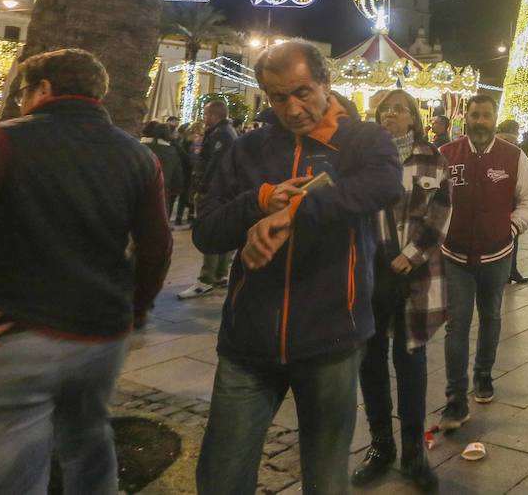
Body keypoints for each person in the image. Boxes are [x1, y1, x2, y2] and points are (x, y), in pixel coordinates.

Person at [0, 48, 172, 494]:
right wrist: (136, 310)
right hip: (101, 335)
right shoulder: (138, 156)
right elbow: (157, 246)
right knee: (89, 438)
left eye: (23, 92)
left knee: (12, 469)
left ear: (42, 89)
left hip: (13, 332)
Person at [193, 40, 401, 494]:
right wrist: (260, 201)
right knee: (221, 477)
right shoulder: (248, 150)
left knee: (325, 480)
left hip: (331, 339)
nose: (292, 107)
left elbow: (382, 186)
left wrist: (294, 211)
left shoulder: (363, 141)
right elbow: (206, 231)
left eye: (303, 92)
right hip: (248, 341)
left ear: (326, 84)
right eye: (277, 96)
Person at [352, 90, 450, 490]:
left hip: (413, 274)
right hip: (370, 271)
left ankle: (413, 450)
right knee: (370, 359)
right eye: (384, 111)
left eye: (398, 110)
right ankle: (381, 444)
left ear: (413, 118)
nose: (390, 116)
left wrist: (411, 254)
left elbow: (442, 212)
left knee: (410, 359)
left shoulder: (431, 158)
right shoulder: (363, 158)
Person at [438, 95, 528, 430]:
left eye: (486, 115)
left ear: (494, 119)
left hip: (497, 253)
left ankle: (483, 374)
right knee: (457, 324)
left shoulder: (513, 156)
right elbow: (429, 198)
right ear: (465, 118)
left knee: (492, 315)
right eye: (475, 115)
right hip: (454, 254)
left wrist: (513, 226)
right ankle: (455, 397)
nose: (480, 121)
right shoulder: (447, 155)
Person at [177, 98, 240, 299]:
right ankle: (220, 275)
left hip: (214, 192)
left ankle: (206, 279)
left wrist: (202, 187)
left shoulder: (221, 134)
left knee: (210, 231)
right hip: (225, 191)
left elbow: (215, 164)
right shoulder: (227, 132)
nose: (204, 118)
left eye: (206, 114)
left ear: (215, 115)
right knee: (223, 230)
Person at [495, 119, 528, 285]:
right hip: (508, 200)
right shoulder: (514, 150)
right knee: (510, 238)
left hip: (498, 200)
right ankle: (509, 270)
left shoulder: (492, 146)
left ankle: (508, 270)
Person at [142, 120, 186, 224]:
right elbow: (177, 178)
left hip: (137, 195)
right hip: (161, 196)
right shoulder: (171, 152)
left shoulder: (139, 147)